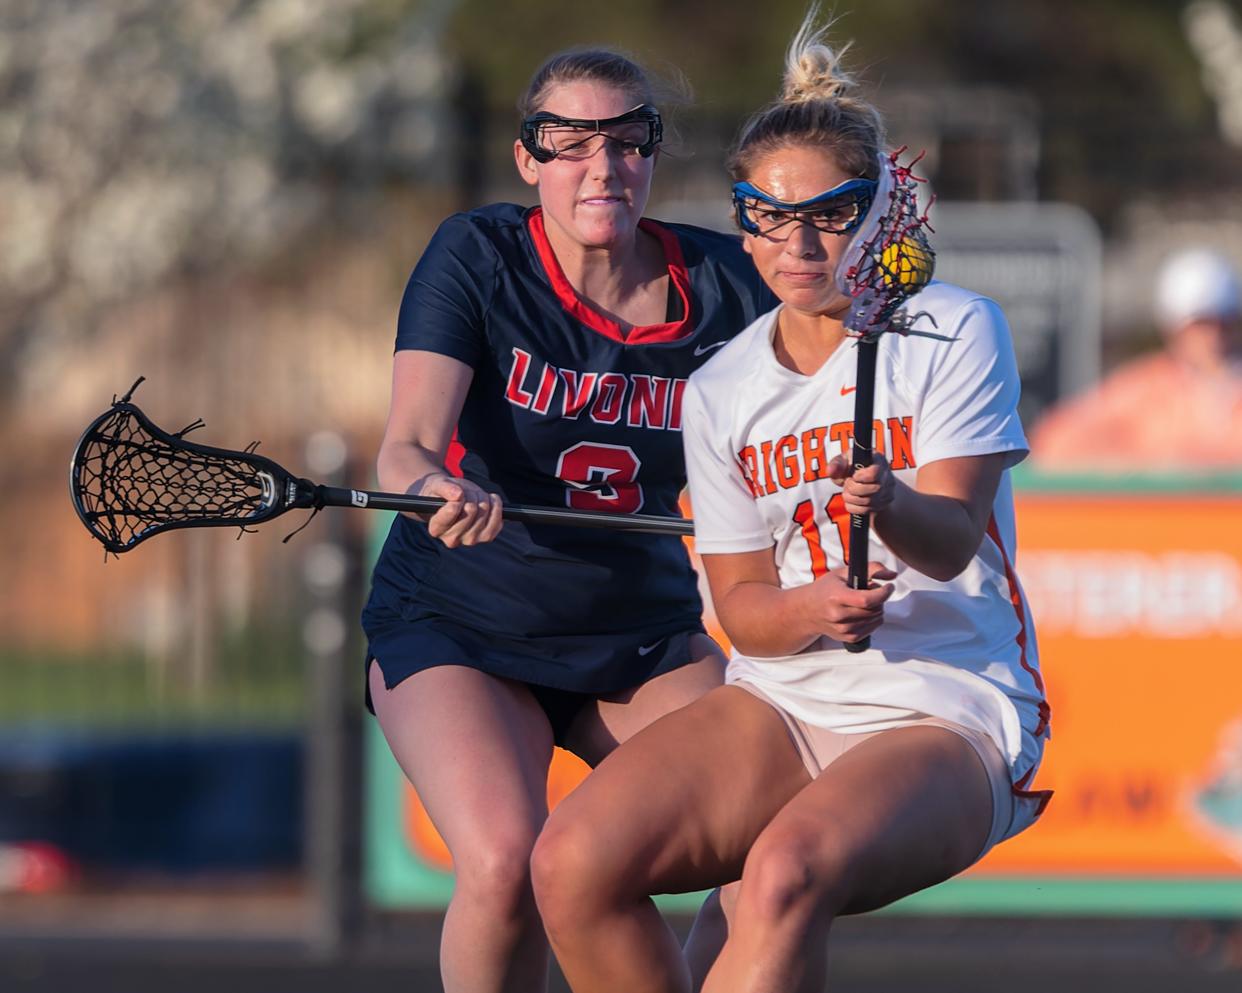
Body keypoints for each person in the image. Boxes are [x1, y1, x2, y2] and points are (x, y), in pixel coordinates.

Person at [529, 13, 1052, 993]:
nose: (796, 242)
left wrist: (886, 501)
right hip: (783, 702)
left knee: (781, 874)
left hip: (944, 708)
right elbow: (746, 617)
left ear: (880, 214)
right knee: (569, 863)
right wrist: (810, 609)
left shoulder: (953, 328)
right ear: (742, 220)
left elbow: (945, 547)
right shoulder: (723, 386)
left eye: (829, 213)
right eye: (766, 214)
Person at [361, 47, 775, 993]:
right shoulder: (478, 254)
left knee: (772, 847)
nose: (603, 165)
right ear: (527, 159)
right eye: (572, 142)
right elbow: (407, 447)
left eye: (629, 140)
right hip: (463, 625)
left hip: (638, 639)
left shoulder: (726, 283)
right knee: (508, 863)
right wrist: (434, 489)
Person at [1030, 247, 1242, 470]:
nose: (1213, 337)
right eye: (1201, 325)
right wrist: (1137, 463)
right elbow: (1055, 441)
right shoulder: (1140, 391)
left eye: (1224, 324)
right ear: (1173, 330)